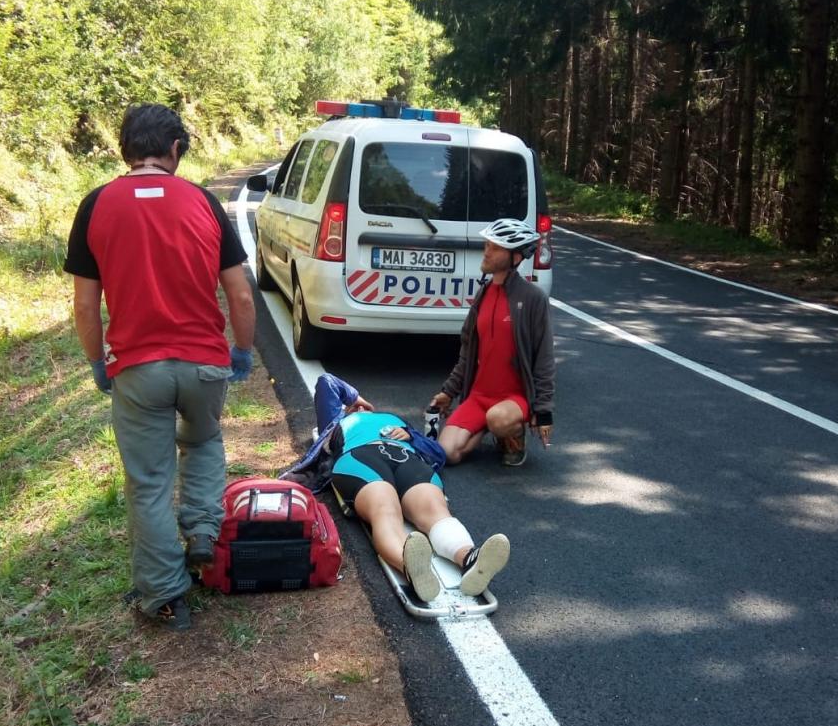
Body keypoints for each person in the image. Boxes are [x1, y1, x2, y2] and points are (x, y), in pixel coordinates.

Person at [63, 103, 256, 631]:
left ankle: (164, 596)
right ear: (175, 149)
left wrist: (98, 361)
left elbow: (84, 306)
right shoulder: (203, 202)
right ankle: (200, 532)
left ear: (126, 147)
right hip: (202, 365)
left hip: (137, 367)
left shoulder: (96, 204)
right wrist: (241, 350)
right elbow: (239, 294)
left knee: (148, 481)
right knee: (203, 441)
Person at [284, 375, 511, 604]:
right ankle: (411, 566)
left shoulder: (394, 419)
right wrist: (356, 400)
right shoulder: (336, 421)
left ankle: (470, 558)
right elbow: (326, 382)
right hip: (360, 457)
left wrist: (412, 436)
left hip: (405, 457)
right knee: (385, 509)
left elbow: (438, 453)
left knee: (436, 510)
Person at [429, 219, 554, 467]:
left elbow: (544, 357)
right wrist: (448, 392)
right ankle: (486, 425)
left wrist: (544, 411)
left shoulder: (532, 298)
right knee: (447, 453)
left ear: (515, 258)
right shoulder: (483, 294)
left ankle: (512, 437)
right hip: (479, 396)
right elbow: (467, 352)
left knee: (498, 418)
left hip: (514, 399)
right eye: (487, 245)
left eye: (495, 248)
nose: (486, 251)